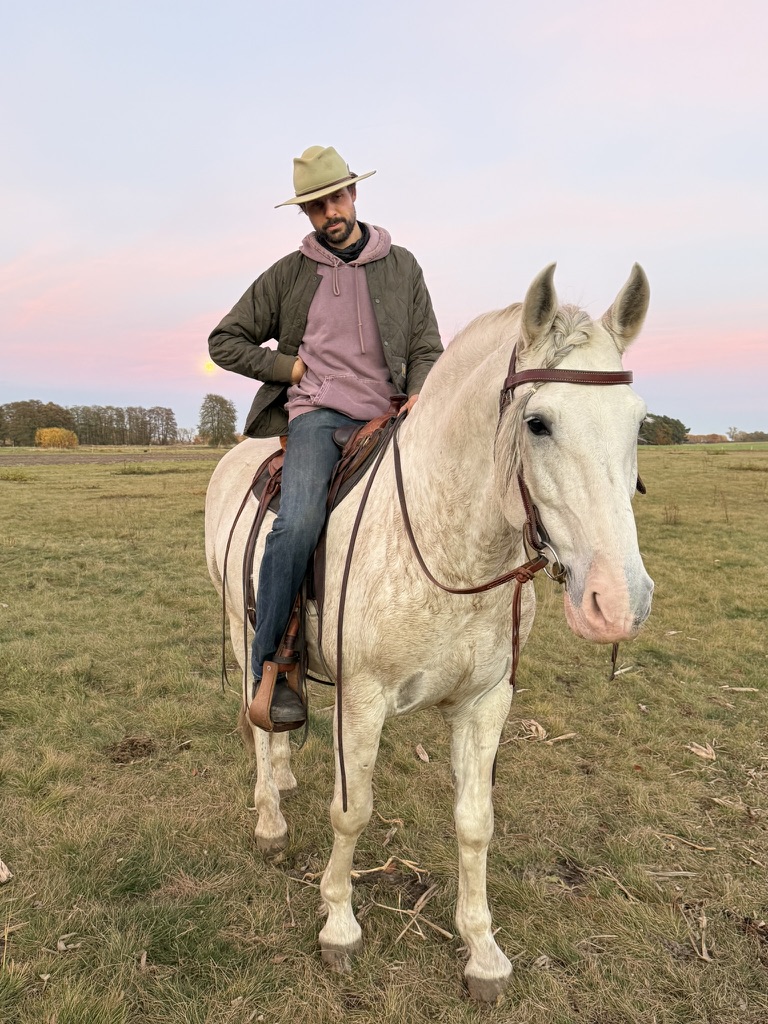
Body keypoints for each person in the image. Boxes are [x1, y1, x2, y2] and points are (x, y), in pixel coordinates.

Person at [208, 145, 443, 725]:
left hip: (389, 418)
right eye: (315, 206)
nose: (329, 212)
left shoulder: (403, 265)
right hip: (317, 417)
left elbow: (425, 346)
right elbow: (224, 340)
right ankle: (272, 667)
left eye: (336, 198)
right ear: (307, 214)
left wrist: (420, 389)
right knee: (298, 522)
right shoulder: (290, 274)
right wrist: (288, 370)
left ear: (354, 194)